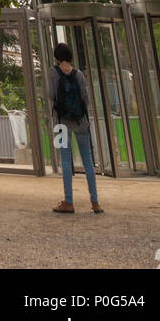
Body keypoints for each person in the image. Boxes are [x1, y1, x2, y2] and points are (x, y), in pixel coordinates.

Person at [49, 42, 104, 215]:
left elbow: (51, 95)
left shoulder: (53, 73)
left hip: (61, 121)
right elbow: (86, 98)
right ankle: (95, 202)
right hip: (81, 121)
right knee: (88, 161)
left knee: (65, 160)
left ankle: (68, 201)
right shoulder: (79, 74)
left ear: (57, 57)